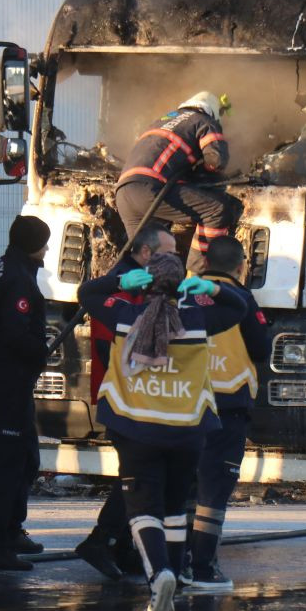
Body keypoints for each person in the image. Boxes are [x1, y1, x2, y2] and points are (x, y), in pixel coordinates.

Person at [79, 252, 246, 611]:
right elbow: (240, 308)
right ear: (181, 284)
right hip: (187, 431)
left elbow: (87, 294)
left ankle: (159, 576)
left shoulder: (125, 316)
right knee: (174, 507)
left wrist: (119, 282)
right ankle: (175, 576)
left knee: (143, 509)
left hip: (136, 429)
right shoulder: (199, 319)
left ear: (144, 284)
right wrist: (214, 289)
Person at [75, 223, 177, 580]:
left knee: (139, 476)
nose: (176, 260)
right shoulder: (124, 288)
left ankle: (121, 544)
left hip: (142, 400)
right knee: (136, 477)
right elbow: (108, 341)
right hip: (128, 400)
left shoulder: (147, 287)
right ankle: (102, 540)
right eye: (169, 253)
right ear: (146, 253)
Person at [184, 236, 270, 590]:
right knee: (214, 490)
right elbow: (262, 348)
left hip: (185, 401)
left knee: (185, 486)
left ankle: (178, 561)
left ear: (205, 264)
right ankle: (203, 567)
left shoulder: (185, 293)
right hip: (228, 402)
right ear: (241, 266)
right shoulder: (241, 299)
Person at [0, 215, 51, 571]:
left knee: (27, 456)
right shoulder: (18, 279)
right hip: (9, 377)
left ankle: (12, 530)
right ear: (32, 244)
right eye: (43, 242)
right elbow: (14, 332)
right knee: (7, 463)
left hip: (8, 374)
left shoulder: (0, 266)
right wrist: (40, 349)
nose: (47, 249)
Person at [115, 90, 243, 271]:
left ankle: (136, 287)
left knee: (145, 262)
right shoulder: (204, 121)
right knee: (216, 209)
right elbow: (216, 160)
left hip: (123, 193)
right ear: (212, 111)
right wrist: (201, 172)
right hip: (150, 189)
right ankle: (197, 276)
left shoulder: (159, 122)